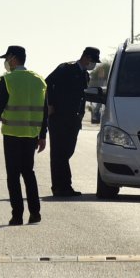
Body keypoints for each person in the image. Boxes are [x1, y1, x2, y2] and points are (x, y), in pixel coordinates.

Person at [0, 45, 48, 225]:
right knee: (28, 173)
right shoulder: (39, 80)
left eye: (7, 58)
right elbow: (44, 110)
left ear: (13, 58)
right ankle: (35, 213)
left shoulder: (8, 80)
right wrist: (43, 135)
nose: (6, 62)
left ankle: (17, 215)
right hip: (31, 135)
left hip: (12, 134)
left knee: (13, 175)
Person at [45, 46, 101, 197]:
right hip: (59, 116)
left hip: (74, 119)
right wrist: (50, 104)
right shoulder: (66, 68)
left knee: (67, 151)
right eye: (93, 61)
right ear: (86, 57)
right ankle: (60, 187)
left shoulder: (85, 75)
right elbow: (47, 83)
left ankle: (63, 186)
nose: (93, 65)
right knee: (59, 153)